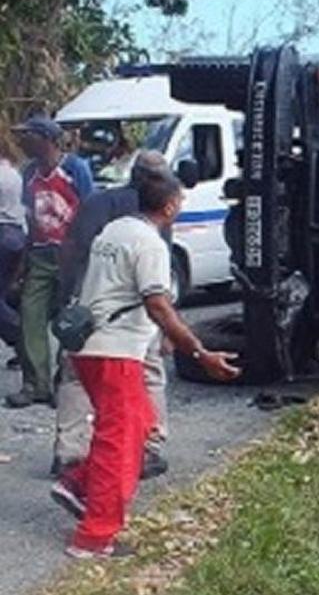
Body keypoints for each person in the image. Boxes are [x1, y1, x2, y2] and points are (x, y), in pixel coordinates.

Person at [50, 168, 239, 558]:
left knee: (138, 427)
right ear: (169, 206)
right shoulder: (150, 244)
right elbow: (158, 304)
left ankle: (76, 483)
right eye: (181, 201)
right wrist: (200, 353)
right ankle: (95, 536)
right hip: (115, 350)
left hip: (88, 345)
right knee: (118, 441)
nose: (182, 205)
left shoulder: (115, 230)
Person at [53, 151, 175, 479]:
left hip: (85, 309)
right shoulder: (157, 211)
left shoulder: (96, 203)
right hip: (133, 320)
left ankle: (71, 454)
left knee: (74, 380)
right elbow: (158, 284)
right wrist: (169, 331)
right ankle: (148, 448)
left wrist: (67, 300)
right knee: (149, 376)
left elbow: (71, 250)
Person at [7, 116, 94, 408]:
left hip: (70, 254)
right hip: (41, 254)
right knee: (31, 315)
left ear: (46, 140)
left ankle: (63, 383)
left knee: (66, 319)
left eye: (28, 136)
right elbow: (30, 217)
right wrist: (25, 259)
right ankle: (36, 384)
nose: (22, 141)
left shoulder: (75, 169)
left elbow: (88, 209)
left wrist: (83, 252)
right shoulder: (29, 172)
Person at [0, 156, 26, 360]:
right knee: (8, 292)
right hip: (16, 233)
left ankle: (21, 340)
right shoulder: (13, 172)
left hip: (3, 232)